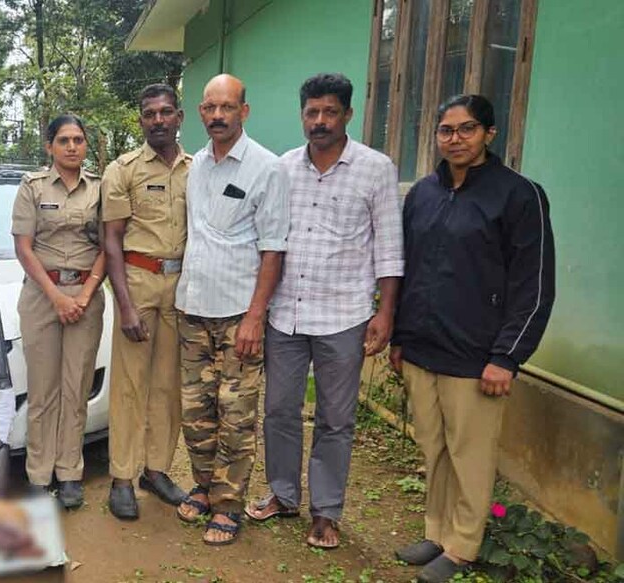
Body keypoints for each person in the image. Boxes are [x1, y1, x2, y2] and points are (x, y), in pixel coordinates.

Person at [390, 94, 554, 583]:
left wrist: (507, 356)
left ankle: (463, 546)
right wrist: (400, 335)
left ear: (489, 134)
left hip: (477, 354)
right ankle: (437, 533)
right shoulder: (423, 193)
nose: (454, 139)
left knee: (471, 454)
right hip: (422, 348)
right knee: (433, 448)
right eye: (446, 130)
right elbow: (408, 269)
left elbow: (535, 283)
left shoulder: (518, 195)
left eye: (466, 129)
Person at [248, 73, 404, 550]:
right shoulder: (282, 168)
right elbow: (267, 239)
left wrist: (385, 314)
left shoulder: (376, 169)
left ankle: (326, 512)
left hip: (345, 314)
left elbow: (390, 248)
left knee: (336, 418)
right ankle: (282, 493)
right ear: (302, 115)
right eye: (311, 112)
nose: (319, 121)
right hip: (286, 315)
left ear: (347, 115)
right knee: (278, 410)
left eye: (329, 112)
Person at [174, 74, 289, 545]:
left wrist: (256, 317)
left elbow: (273, 248)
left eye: (227, 107)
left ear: (244, 111)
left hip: (238, 314)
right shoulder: (196, 165)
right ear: (200, 112)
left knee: (236, 412)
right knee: (194, 410)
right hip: (192, 308)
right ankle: (203, 485)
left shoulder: (267, 168)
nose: (217, 116)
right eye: (209, 107)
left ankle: (228, 504)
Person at [101, 84, 193, 519]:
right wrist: (124, 305)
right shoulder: (124, 170)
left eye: (166, 112)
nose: (158, 120)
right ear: (140, 120)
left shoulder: (200, 169)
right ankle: (122, 477)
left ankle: (155, 471)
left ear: (180, 117)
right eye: (149, 114)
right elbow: (112, 241)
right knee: (129, 386)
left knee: (168, 384)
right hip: (138, 280)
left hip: (184, 287)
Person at [11, 114, 106, 509]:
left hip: (86, 293)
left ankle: (70, 472)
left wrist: (83, 295)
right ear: (50, 146)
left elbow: (108, 248)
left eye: (78, 140)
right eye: (63, 140)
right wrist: (56, 297)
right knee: (43, 390)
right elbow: (23, 246)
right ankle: (38, 474)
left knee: (76, 388)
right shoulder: (31, 187)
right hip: (41, 295)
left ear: (86, 146)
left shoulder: (101, 190)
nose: (71, 147)